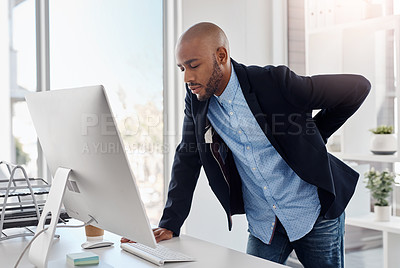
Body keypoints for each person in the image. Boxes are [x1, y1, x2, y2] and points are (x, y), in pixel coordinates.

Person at [123, 22, 371, 267]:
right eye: (182, 69)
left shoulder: (274, 82)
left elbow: (357, 88)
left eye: (194, 65)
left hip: (313, 212)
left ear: (221, 55)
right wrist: (169, 223)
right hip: (265, 222)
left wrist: (315, 134)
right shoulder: (197, 99)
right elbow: (188, 156)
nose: (188, 77)